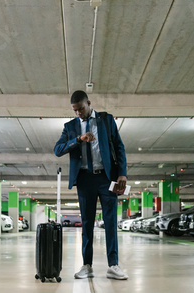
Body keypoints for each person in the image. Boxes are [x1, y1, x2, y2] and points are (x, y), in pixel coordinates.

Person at [54, 90, 129, 280]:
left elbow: (119, 146)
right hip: (85, 179)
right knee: (87, 223)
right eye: (75, 110)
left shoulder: (106, 120)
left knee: (110, 221)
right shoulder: (70, 127)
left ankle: (113, 265)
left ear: (89, 102)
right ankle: (87, 266)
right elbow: (57, 150)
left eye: (80, 108)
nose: (78, 113)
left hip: (106, 178)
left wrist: (122, 173)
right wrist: (78, 139)